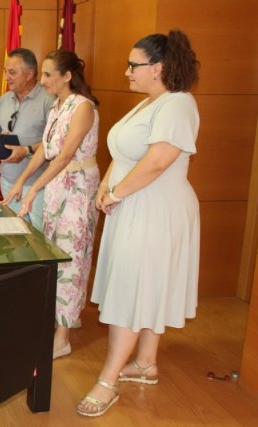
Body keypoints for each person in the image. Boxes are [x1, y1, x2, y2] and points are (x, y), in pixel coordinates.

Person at [77, 30, 200, 418]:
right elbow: (125, 154)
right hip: (135, 204)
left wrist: (116, 193)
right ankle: (145, 363)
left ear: (158, 67)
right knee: (144, 285)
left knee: (132, 289)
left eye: (134, 65)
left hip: (156, 210)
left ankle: (108, 380)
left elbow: (159, 161)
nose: (127, 72)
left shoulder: (178, 104)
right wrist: (107, 186)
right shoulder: (150, 103)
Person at [2, 49, 100, 360]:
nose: (42, 80)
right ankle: (61, 318)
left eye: (47, 74)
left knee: (72, 257)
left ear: (67, 76)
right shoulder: (58, 105)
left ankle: (63, 338)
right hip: (58, 187)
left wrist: (34, 189)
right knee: (54, 253)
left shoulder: (83, 107)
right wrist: (21, 183)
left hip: (78, 188)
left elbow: (66, 155)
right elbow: (46, 150)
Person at [0, 47, 55, 231]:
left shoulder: (49, 100)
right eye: (5, 71)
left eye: (12, 72)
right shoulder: (4, 100)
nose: (7, 77)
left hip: (38, 184)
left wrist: (26, 151)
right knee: (14, 235)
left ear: (29, 74)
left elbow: (56, 142)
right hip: (7, 181)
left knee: (38, 238)